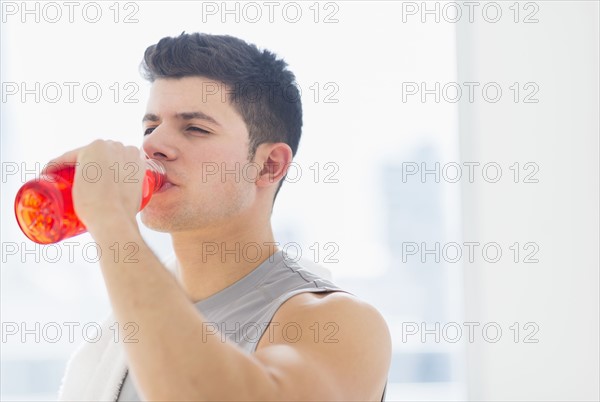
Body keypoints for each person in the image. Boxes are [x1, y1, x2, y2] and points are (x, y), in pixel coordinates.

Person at [55, 32, 391, 401]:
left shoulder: (336, 323)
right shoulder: (123, 327)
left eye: (195, 128)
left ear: (268, 165)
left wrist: (111, 220)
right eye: (150, 127)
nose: (151, 145)